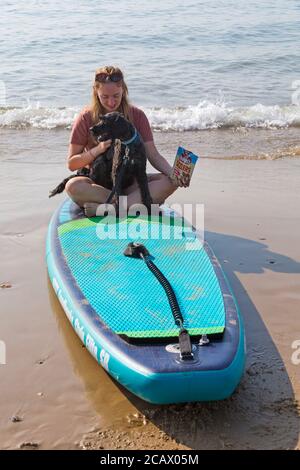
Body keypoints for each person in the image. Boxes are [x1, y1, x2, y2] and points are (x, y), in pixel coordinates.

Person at [65, 65, 184, 216]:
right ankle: (133, 205)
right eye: (105, 97)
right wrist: (97, 150)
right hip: (98, 185)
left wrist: (174, 174)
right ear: (96, 93)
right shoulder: (85, 118)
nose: (111, 102)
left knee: (168, 182)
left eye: (116, 95)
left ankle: (112, 208)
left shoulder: (137, 116)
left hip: (130, 184)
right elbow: (72, 163)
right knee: (73, 186)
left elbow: (153, 155)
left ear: (124, 90)